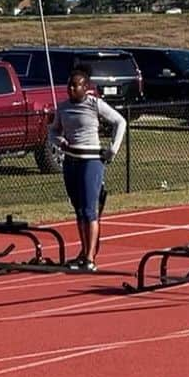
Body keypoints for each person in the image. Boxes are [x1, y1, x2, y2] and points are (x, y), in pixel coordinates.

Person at [48, 66, 127, 272]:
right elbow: (53, 131)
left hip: (91, 161)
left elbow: (120, 121)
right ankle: (83, 253)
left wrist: (112, 149)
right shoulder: (63, 107)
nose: (72, 89)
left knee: (90, 210)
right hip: (71, 161)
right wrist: (61, 142)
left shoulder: (94, 105)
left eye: (76, 85)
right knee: (79, 210)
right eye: (70, 85)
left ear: (86, 87)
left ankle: (91, 257)